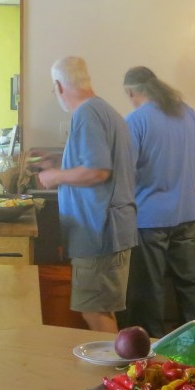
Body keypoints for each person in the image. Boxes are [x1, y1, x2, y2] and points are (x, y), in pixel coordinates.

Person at [36, 56, 137, 332]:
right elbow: (98, 164)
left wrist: (55, 176)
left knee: (94, 310)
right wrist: (59, 161)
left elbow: (98, 171)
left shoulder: (86, 114)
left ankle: (114, 374)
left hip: (100, 232)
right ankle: (116, 372)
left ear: (59, 85)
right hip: (107, 231)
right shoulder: (104, 111)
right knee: (100, 308)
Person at [121, 66, 195, 337]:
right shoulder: (185, 111)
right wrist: (188, 181)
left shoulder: (136, 120)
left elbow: (126, 170)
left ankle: (152, 348)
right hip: (185, 215)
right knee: (190, 283)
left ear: (131, 91)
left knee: (149, 288)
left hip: (149, 219)